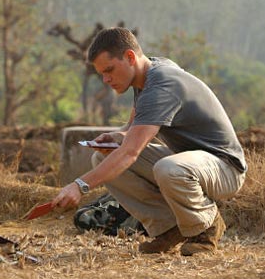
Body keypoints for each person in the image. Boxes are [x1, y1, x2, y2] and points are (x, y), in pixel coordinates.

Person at [51, 27, 247, 256]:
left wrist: (79, 185)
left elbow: (130, 153)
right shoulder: (147, 75)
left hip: (224, 168)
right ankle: (169, 228)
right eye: (102, 74)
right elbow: (132, 131)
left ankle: (206, 226)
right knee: (102, 155)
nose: (106, 80)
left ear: (130, 57)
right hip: (191, 163)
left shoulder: (162, 85)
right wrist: (118, 137)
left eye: (110, 70)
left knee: (168, 169)